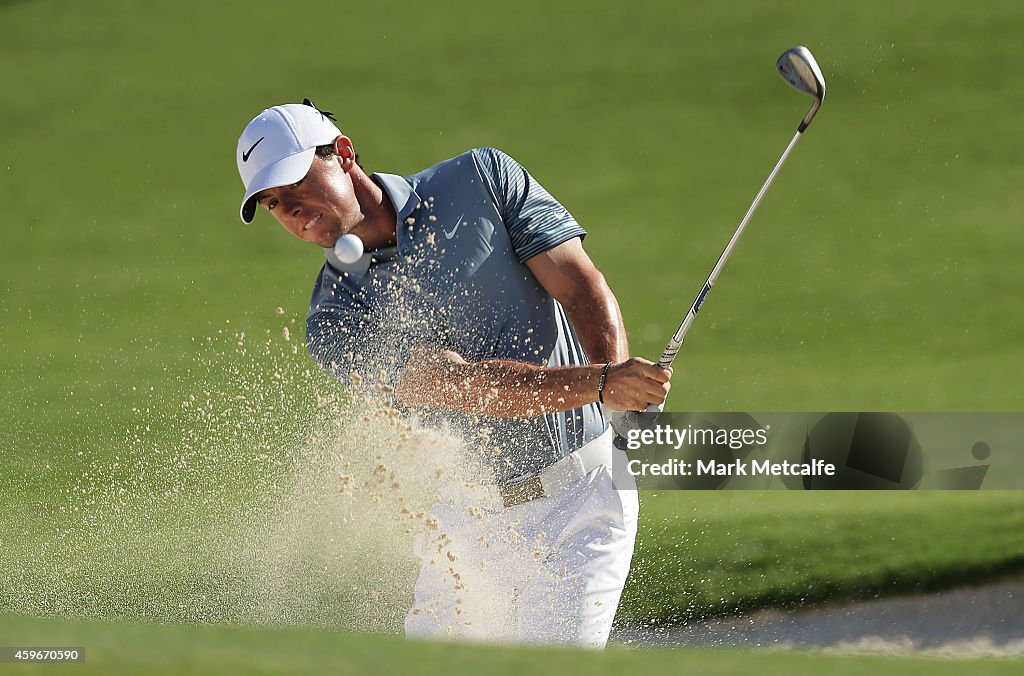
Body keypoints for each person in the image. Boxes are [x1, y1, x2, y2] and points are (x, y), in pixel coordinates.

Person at [235, 99, 672, 648]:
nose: (292, 212)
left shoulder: (481, 179)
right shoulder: (334, 316)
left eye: (295, 185)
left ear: (342, 154)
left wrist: (618, 401)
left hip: (581, 504)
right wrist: (602, 383)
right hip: (467, 528)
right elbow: (457, 387)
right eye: (274, 204)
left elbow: (579, 285)